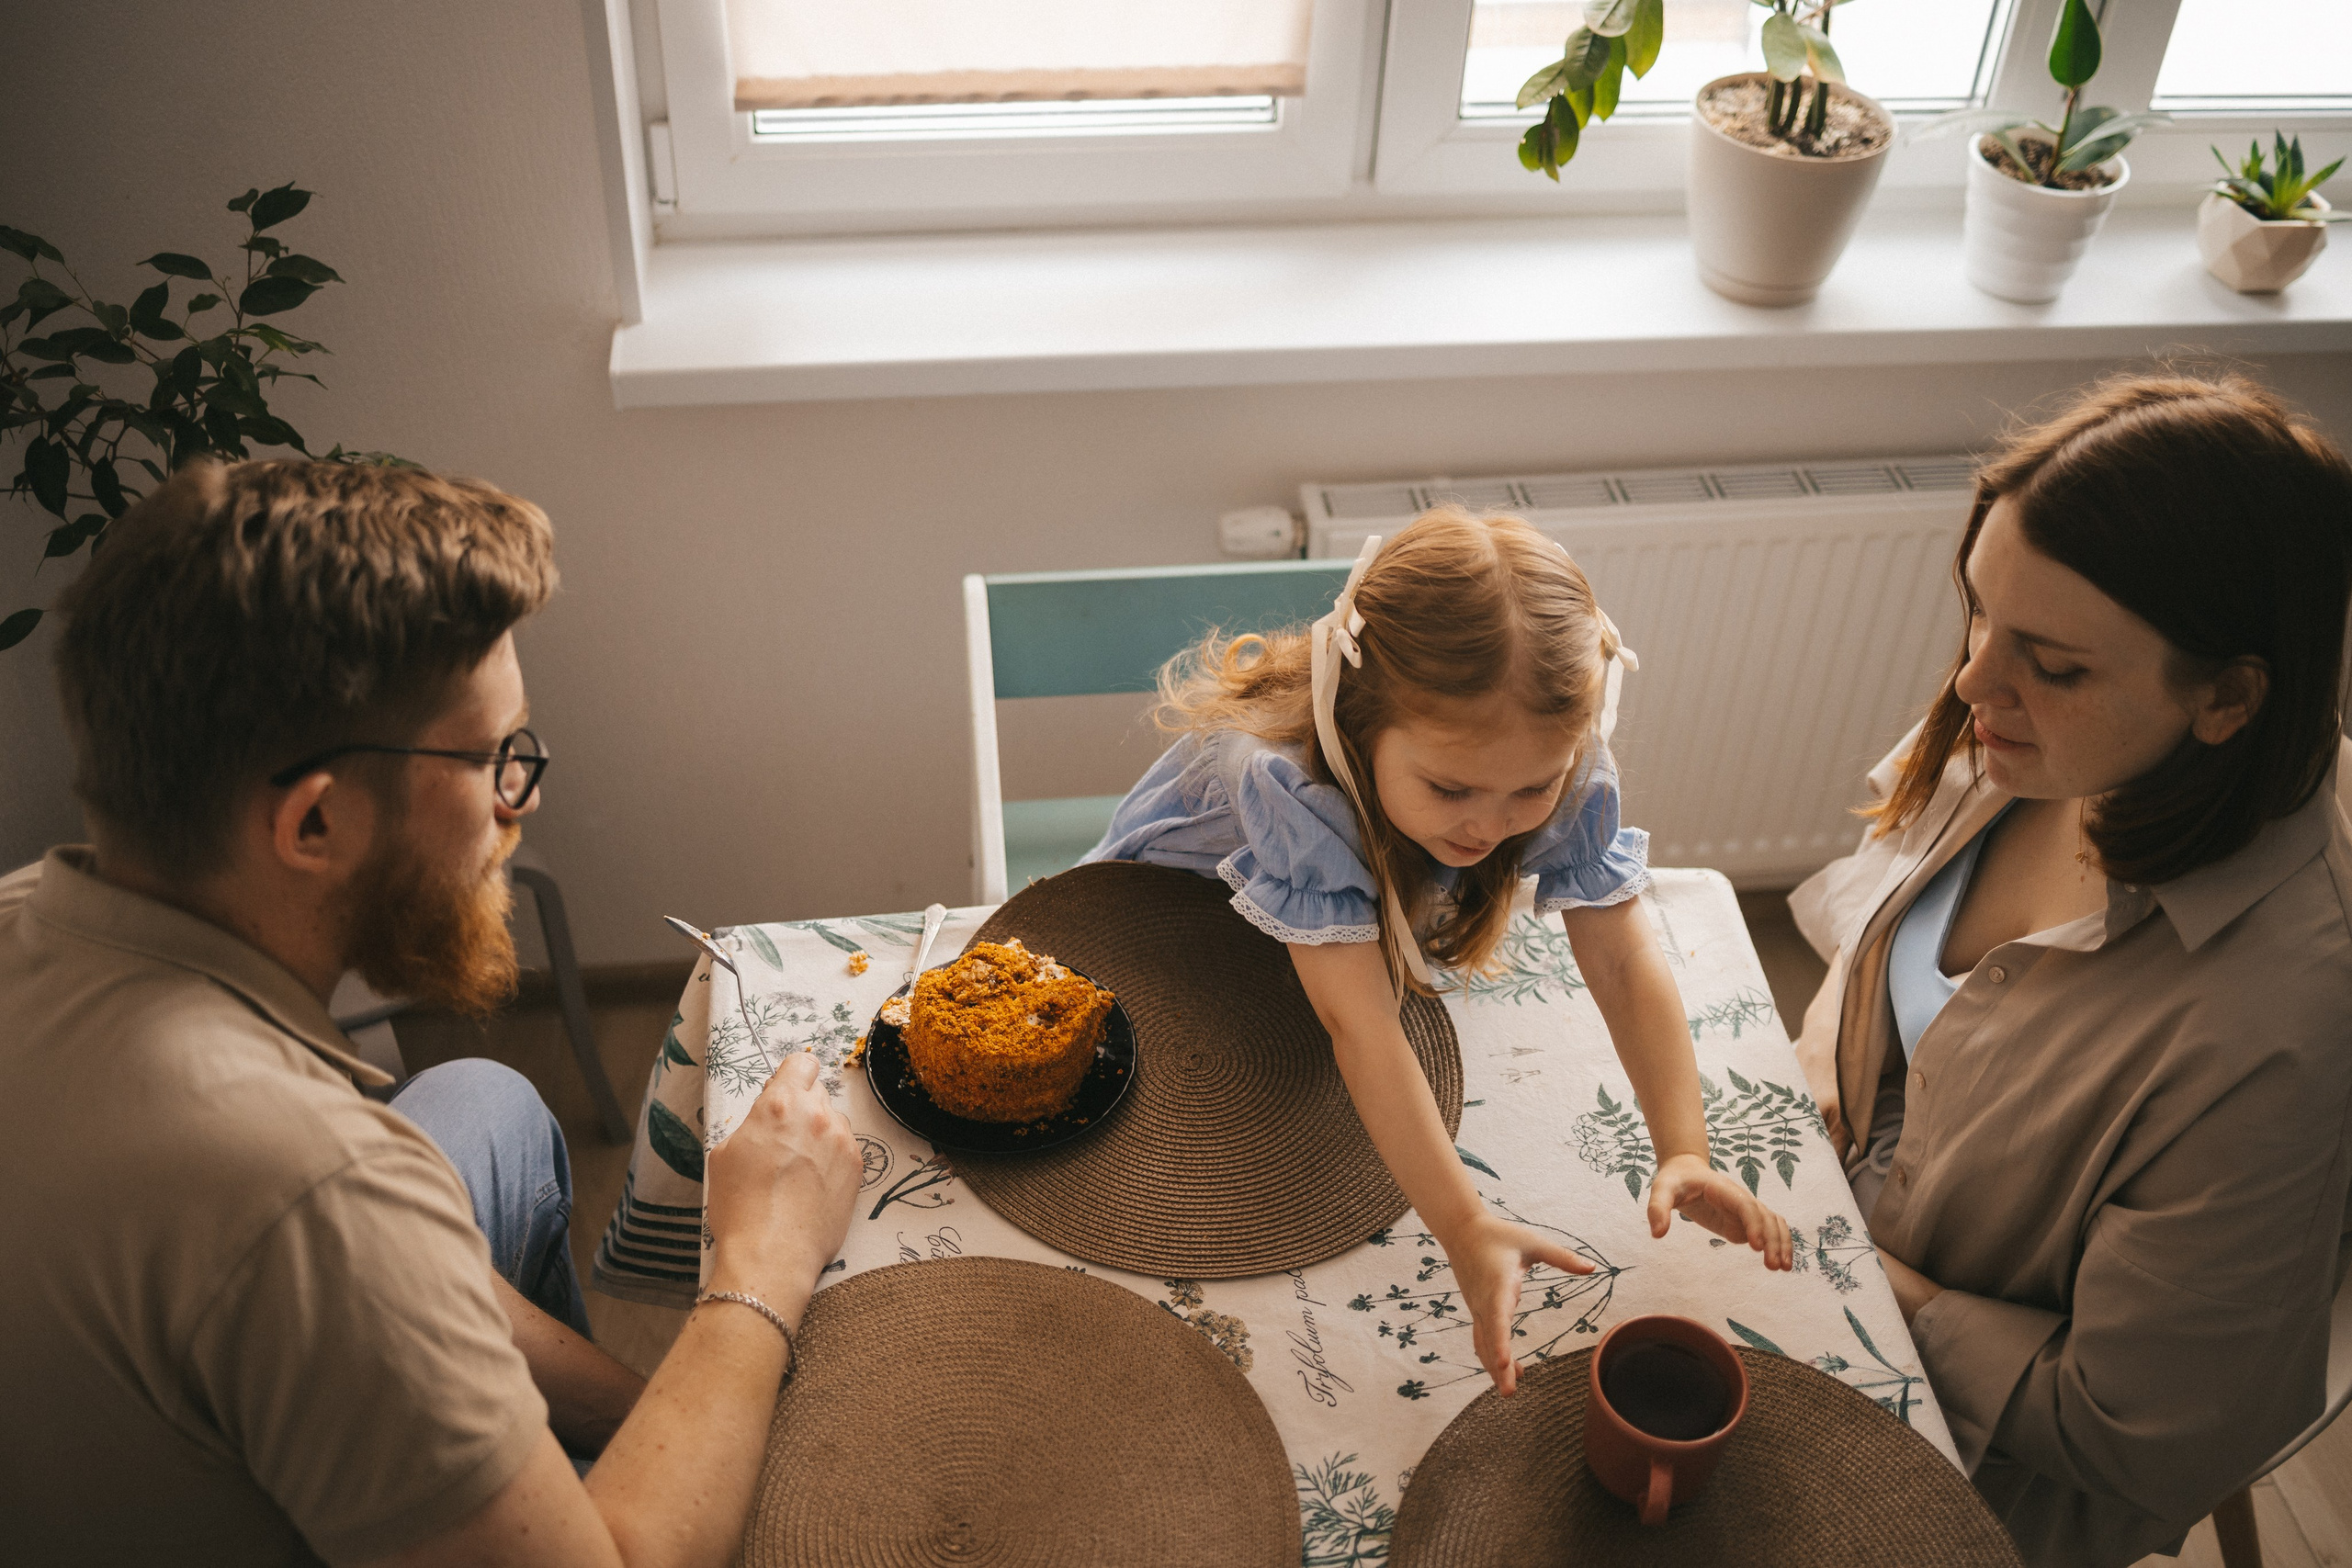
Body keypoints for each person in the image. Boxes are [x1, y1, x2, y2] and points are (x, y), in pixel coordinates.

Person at [0, 458, 864, 1567]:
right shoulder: (319, 1197)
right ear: (314, 825)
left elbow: (382, 1263)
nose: (525, 797)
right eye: (493, 758)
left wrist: (650, 1404)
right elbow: (349, 1239)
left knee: (482, 1102)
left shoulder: (34, 912)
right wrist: (762, 1262)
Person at [1788, 371, 2352, 1567]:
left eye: (2052, 660)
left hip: (1986, 1448)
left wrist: (1872, 1279)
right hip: (1848, 1219)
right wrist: (1809, 1106)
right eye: (1977, 613)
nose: (1970, 682)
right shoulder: (2035, 738)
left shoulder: (2270, 1037)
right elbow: (1871, 927)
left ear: (2228, 699)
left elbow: (2135, 1428)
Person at [1084, 506, 1793, 1394]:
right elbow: (1361, 1024)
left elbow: (1619, 956)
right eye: (1451, 788)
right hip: (1169, 952)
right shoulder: (1284, 777)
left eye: (1530, 789)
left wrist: (1684, 1146)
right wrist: (1463, 1224)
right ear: (1357, 719)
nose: (1491, 826)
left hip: (1313, 972)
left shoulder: (1545, 763)